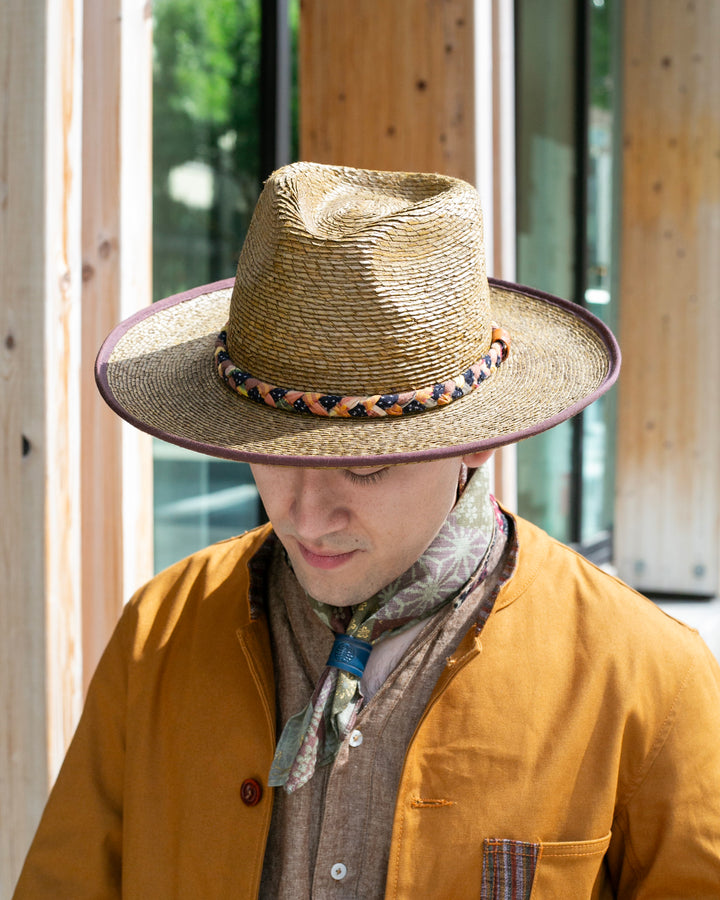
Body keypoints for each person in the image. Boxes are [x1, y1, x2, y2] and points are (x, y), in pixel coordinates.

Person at [13, 162, 720, 898]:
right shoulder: (160, 632)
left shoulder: (644, 680)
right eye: (271, 454)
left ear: (476, 442)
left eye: (365, 469)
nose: (307, 515)